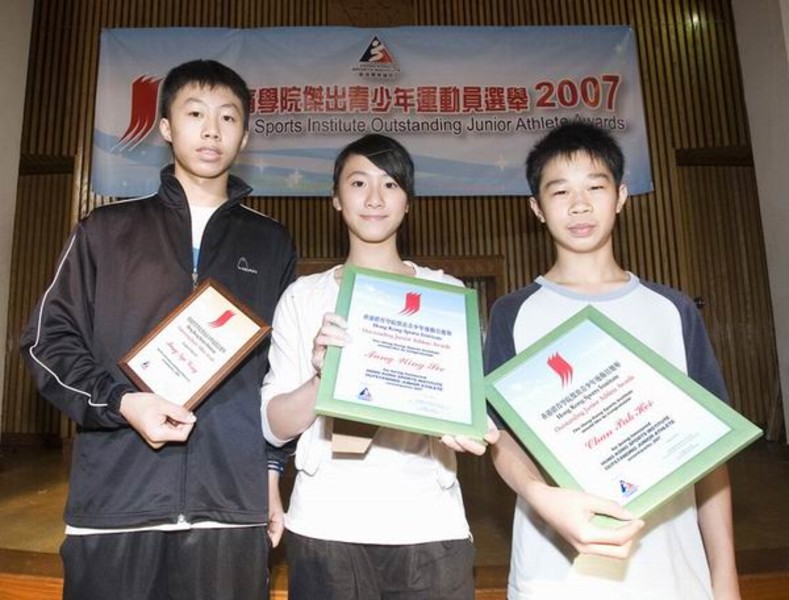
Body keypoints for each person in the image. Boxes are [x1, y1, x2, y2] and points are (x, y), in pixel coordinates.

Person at [20, 59, 296, 600]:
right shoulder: (106, 230)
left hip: (229, 508)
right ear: (166, 127)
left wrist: (269, 478)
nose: (211, 130)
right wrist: (123, 403)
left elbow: (277, 375)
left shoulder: (272, 243)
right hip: (117, 504)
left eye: (228, 116)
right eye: (194, 113)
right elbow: (47, 344)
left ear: (245, 133)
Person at [485, 122, 740, 599]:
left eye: (595, 187)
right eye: (560, 191)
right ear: (537, 208)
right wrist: (542, 497)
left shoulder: (673, 310)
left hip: (672, 576)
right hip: (553, 577)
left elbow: (711, 457)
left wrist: (724, 576)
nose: (579, 205)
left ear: (621, 195)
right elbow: (500, 439)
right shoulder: (512, 314)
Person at [261, 133, 498, 600]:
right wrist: (321, 378)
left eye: (390, 185)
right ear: (335, 197)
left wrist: (470, 428)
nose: (374, 198)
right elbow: (274, 427)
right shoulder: (304, 297)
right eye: (358, 183)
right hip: (327, 526)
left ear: (408, 202)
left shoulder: (443, 294)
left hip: (428, 526)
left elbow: (471, 412)